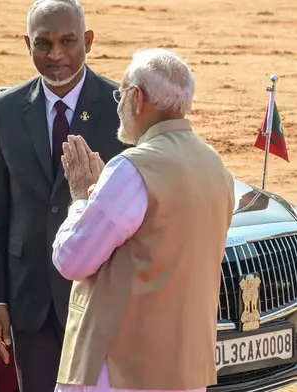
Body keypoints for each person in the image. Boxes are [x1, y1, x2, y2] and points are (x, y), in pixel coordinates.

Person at [53, 48, 235, 392]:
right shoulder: (215, 166)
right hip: (183, 368)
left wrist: (80, 197)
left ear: (137, 99)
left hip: (121, 368)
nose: (119, 104)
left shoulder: (133, 168)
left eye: (121, 94)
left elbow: (72, 260)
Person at [0, 0, 126, 390]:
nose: (55, 55)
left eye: (68, 41)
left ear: (88, 41)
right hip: (31, 304)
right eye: (43, 44)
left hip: (101, 299)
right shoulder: (4, 109)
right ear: (27, 43)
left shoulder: (121, 107)